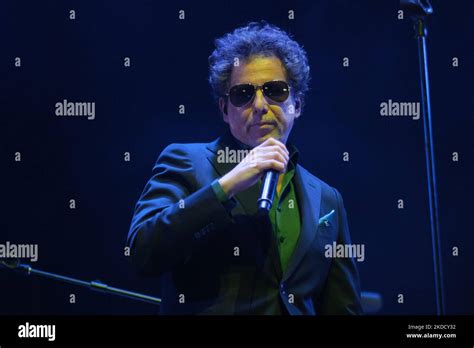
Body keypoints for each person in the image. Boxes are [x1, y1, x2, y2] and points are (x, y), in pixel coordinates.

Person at [126, 21, 363, 315]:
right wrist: (227, 185)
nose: (261, 105)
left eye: (275, 90)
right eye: (243, 94)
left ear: (297, 104)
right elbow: (142, 252)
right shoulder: (187, 161)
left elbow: (343, 308)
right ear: (225, 110)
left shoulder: (328, 198)